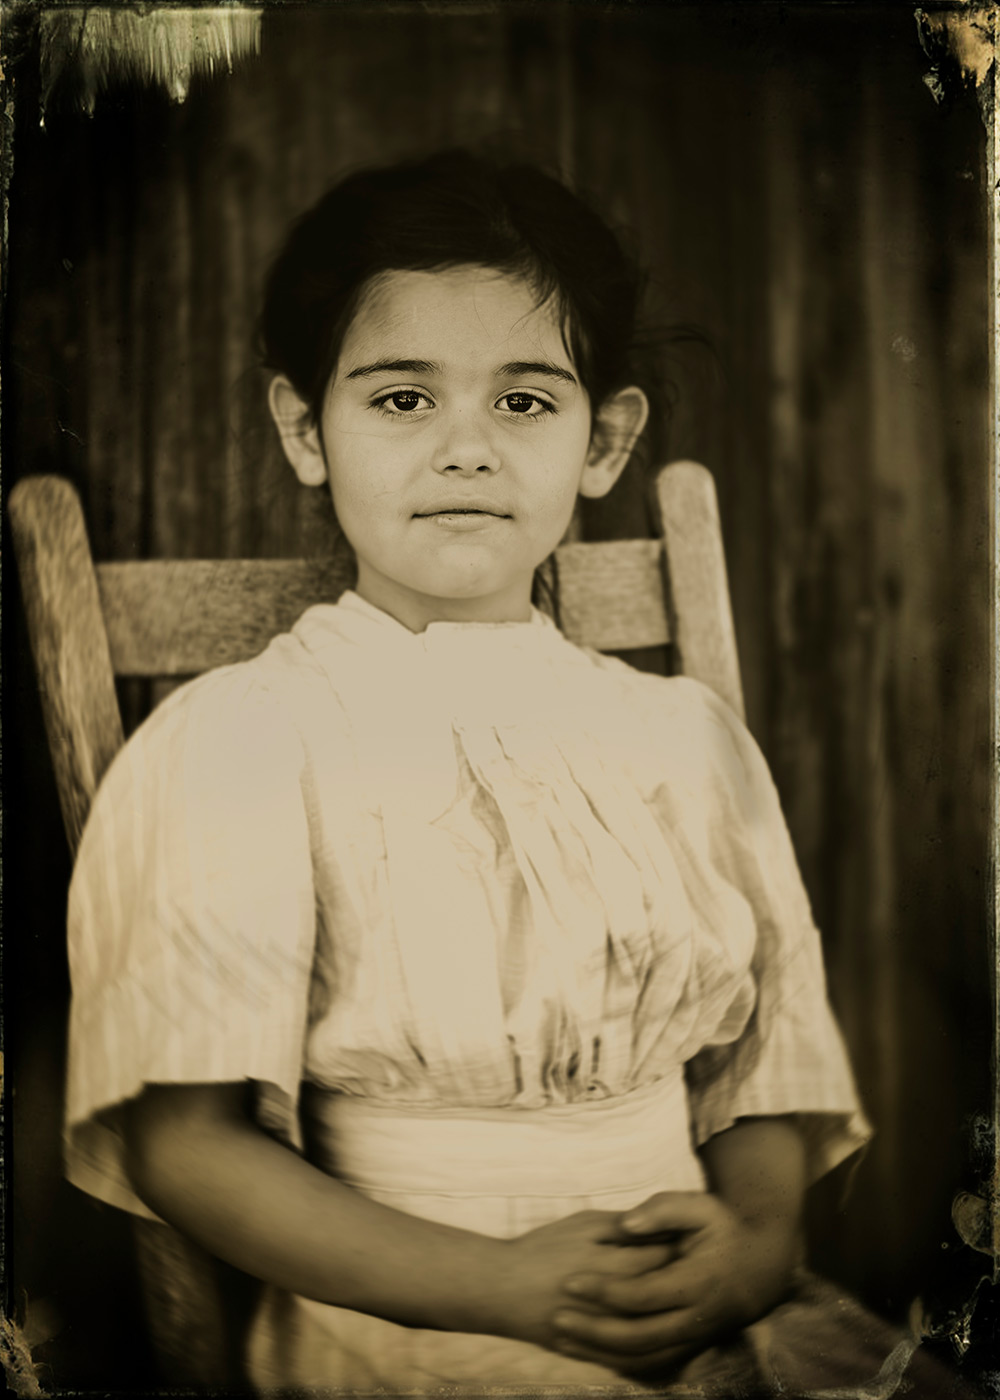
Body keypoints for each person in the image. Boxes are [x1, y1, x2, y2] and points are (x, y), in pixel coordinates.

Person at [63, 151, 953, 1396]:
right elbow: (186, 1144)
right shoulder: (242, 742)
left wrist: (756, 1243)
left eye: (525, 401)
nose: (467, 449)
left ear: (606, 440)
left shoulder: (683, 738)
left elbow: (763, 1067)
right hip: (412, 1326)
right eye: (402, 398)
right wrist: (507, 1285)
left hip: (703, 1304)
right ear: (304, 429)